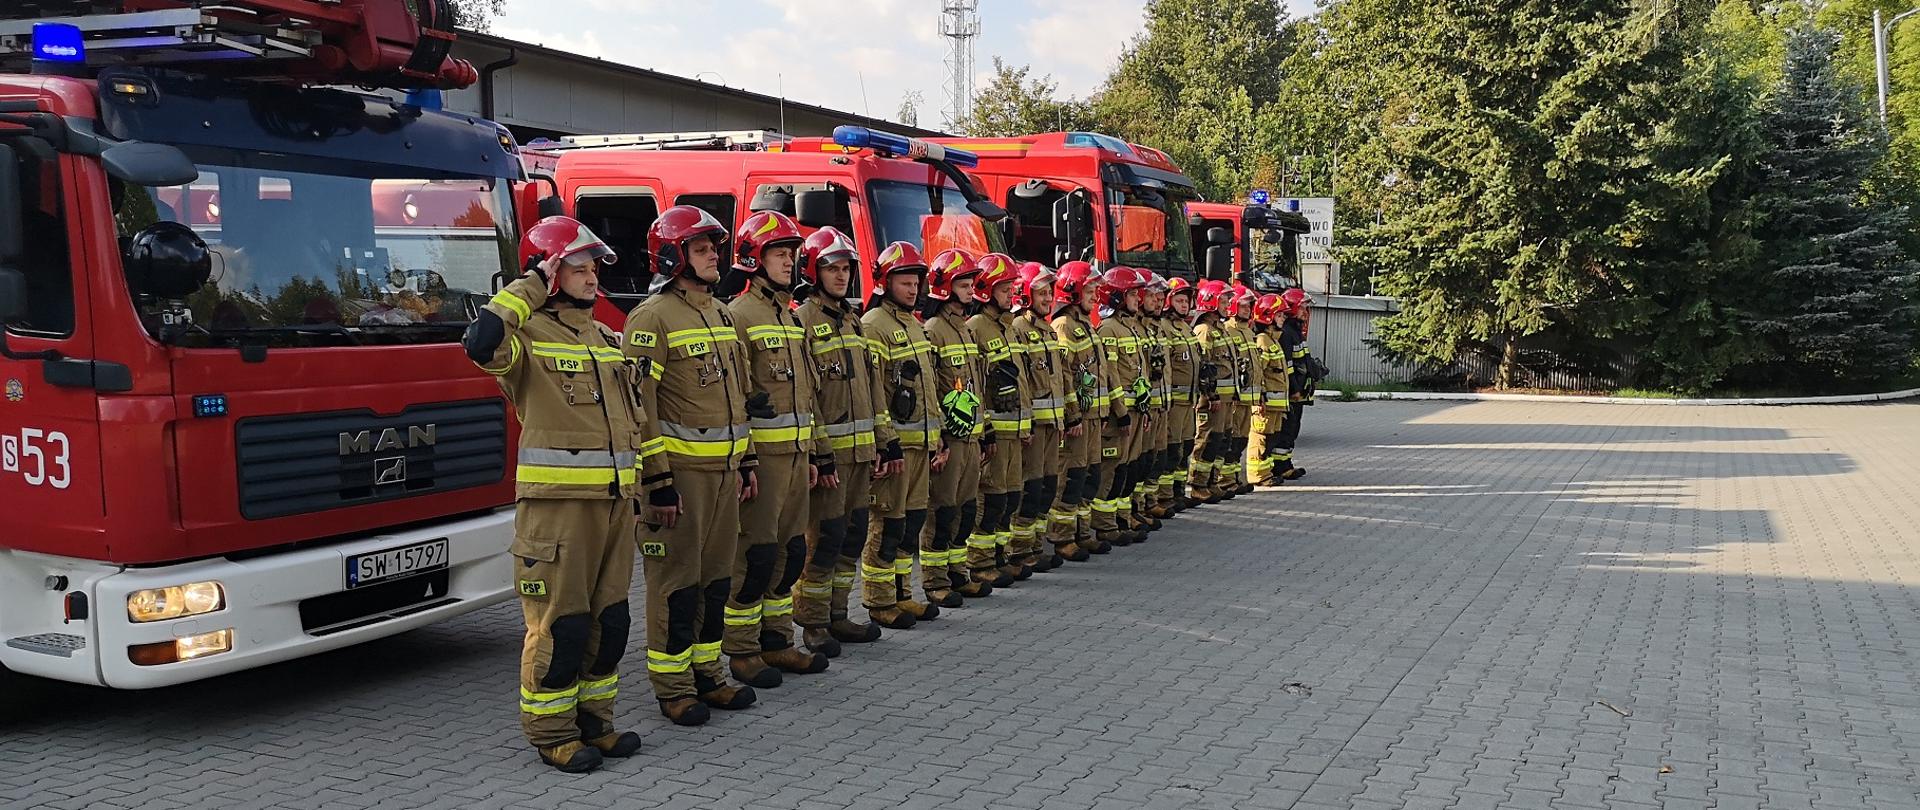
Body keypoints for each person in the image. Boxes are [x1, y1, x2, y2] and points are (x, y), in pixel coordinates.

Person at [465, 215, 664, 773]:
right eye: (577, 266)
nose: (592, 276)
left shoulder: (606, 338)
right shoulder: (526, 338)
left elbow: (633, 423)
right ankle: (553, 733)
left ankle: (596, 722)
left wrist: (648, 487)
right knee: (562, 624)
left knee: (610, 622)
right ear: (551, 272)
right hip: (557, 512)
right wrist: (532, 283)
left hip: (615, 505)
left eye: (594, 266)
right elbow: (479, 342)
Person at [623, 206, 758, 726]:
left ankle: (708, 674)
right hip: (680, 479)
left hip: (724, 475)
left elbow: (738, 394)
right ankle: (674, 688)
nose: (713, 257)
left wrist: (746, 459)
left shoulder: (720, 313)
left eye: (713, 249)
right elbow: (641, 406)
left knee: (715, 582)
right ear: (672, 257)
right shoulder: (651, 318)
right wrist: (657, 482)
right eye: (701, 250)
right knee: (676, 587)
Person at [723, 211, 831, 686]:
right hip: (762, 463)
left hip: (795, 458)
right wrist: (745, 461)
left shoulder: (788, 316)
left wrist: (813, 452)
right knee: (756, 556)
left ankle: (778, 641)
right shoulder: (739, 315)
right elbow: (736, 397)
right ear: (754, 258)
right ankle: (743, 650)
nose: (790, 262)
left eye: (791, 254)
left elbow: (806, 396)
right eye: (779, 254)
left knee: (789, 554)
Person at [792, 227, 886, 656]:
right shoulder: (803, 321)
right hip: (830, 458)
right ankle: (812, 623)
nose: (842, 275)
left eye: (847, 268)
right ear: (814, 271)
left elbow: (872, 386)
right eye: (832, 268)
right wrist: (819, 453)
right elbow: (805, 396)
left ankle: (838, 614)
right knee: (824, 540)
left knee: (853, 536)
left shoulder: (852, 319)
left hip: (861, 454)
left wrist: (884, 441)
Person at [860, 242, 947, 627]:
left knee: (910, 525)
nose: (913, 290)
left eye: (916, 283)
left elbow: (928, 387)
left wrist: (938, 434)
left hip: (921, 444)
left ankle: (902, 595)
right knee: (887, 526)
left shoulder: (914, 324)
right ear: (885, 282)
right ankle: (879, 601)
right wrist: (885, 442)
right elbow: (875, 391)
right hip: (895, 449)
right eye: (904, 283)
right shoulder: (873, 325)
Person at [921, 248, 1005, 597]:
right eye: (963, 285)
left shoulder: (965, 330)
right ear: (945, 287)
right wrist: (939, 436)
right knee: (941, 511)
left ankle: (957, 571)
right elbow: (930, 388)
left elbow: (976, 387)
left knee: (965, 509)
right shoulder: (934, 330)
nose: (971, 291)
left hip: (971, 438)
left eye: (972, 284)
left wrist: (986, 432)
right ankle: (935, 580)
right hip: (950, 440)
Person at [966, 253, 1040, 579]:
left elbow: (1021, 382)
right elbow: (974, 385)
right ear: (986, 290)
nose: (1011, 295)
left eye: (1012, 289)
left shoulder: (1009, 329)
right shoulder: (975, 329)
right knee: (991, 500)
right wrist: (986, 431)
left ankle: (1000, 556)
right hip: (995, 434)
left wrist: (1028, 423)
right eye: (1004, 289)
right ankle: (980, 563)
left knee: (1010, 499)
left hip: (1016, 432)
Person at [1012, 261, 1081, 566]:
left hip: (1053, 424)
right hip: (1034, 428)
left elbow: (1062, 378)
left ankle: (1036, 546)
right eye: (1041, 292)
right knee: (1030, 489)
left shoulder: (1047, 331)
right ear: (1025, 294)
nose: (1048, 298)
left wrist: (1069, 415)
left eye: (1049, 292)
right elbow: (1021, 383)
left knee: (1047, 487)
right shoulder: (1018, 330)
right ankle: (1020, 550)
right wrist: (1025, 423)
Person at [1050, 261, 1111, 558]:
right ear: (1072, 291)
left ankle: (1082, 532)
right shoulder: (1064, 326)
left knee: (1089, 477)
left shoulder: (1086, 325)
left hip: (1094, 418)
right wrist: (1072, 414)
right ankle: (1062, 537)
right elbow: (1064, 374)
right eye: (1089, 291)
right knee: (1071, 478)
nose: (1095, 297)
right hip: (1079, 420)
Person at [1092, 266, 1152, 548]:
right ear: (1116, 297)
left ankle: (1121, 519)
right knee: (1111, 470)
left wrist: (1144, 405)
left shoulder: (1129, 327)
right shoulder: (1108, 329)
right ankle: (1105, 526)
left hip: (1135, 412)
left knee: (1127, 468)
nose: (1137, 299)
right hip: (1121, 416)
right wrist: (1120, 411)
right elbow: (1111, 375)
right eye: (1131, 294)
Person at [1186, 280, 1237, 503]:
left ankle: (1212, 482)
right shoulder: (1204, 331)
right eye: (1223, 302)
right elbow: (1204, 366)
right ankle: (1198, 485)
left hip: (1225, 399)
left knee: (1221, 440)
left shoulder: (1220, 329)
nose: (1227, 306)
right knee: (1207, 440)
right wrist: (1210, 395)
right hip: (1212, 400)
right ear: (1211, 303)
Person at [1160, 276, 1201, 512]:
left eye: (1187, 301)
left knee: (1185, 447)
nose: (1184, 305)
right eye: (1180, 300)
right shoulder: (1164, 328)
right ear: (1169, 301)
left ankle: (1178, 491)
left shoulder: (1186, 328)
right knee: (1172, 448)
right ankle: (1165, 496)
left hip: (1189, 401)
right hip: (1174, 402)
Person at [1274, 287, 1324, 481]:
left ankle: (1286, 464)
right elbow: (1287, 366)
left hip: (1300, 393)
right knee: (1286, 431)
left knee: (1293, 429)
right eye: (1302, 307)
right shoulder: (1286, 333)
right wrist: (1294, 389)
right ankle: (1280, 467)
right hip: (1291, 393)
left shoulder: (1296, 331)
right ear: (1293, 308)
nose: (1306, 312)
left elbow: (1303, 361)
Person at [1249, 293, 1292, 488]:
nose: (1283, 319)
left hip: (1276, 405)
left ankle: (1266, 473)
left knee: (1271, 439)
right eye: (1279, 315)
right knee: (1261, 439)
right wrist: (1260, 397)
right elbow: (1259, 372)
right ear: (1267, 316)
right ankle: (1257, 475)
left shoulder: (1273, 341)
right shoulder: (1263, 341)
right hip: (1266, 403)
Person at [1223, 286, 1262, 497]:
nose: (1247, 309)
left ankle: (1236, 477)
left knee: (1241, 440)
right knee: (1232, 438)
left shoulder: (1248, 331)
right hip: (1236, 398)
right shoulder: (1228, 330)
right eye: (1243, 305)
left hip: (1249, 398)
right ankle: (1226, 480)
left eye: (1249, 306)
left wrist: (1260, 393)